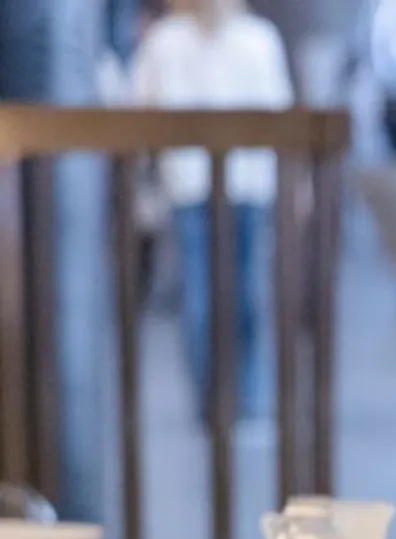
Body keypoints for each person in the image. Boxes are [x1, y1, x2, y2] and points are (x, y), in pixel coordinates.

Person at [131, 0, 293, 426]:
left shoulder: (258, 40)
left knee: (246, 292)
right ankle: (212, 400)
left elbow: (280, 114)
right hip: (190, 185)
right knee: (199, 294)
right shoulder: (165, 41)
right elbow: (142, 110)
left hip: (247, 184)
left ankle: (246, 396)